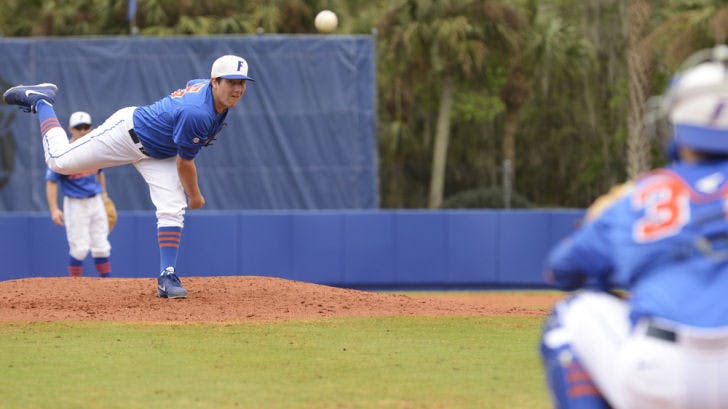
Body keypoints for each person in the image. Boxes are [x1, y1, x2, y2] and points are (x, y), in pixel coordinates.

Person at [539, 44, 728, 409]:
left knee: (572, 314)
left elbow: (561, 269)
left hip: (660, 373)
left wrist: (611, 236)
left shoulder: (641, 196)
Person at [3, 54, 254, 299]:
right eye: (231, 82)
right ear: (214, 81)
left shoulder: (208, 92)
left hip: (158, 152)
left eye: (241, 83)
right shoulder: (197, 113)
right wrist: (196, 195)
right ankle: (41, 101)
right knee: (58, 161)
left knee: (172, 207)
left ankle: (167, 276)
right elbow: (185, 162)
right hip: (127, 133)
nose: (237, 89)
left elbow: (192, 84)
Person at [46, 111, 112, 278]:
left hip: (96, 200)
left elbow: (100, 173)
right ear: (71, 129)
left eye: (86, 127)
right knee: (80, 248)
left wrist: (104, 197)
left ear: (91, 128)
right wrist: (54, 209)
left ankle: (108, 287)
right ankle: (75, 290)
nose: (82, 130)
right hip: (75, 203)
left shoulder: (95, 150)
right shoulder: (64, 152)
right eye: (78, 127)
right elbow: (51, 181)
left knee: (101, 246)